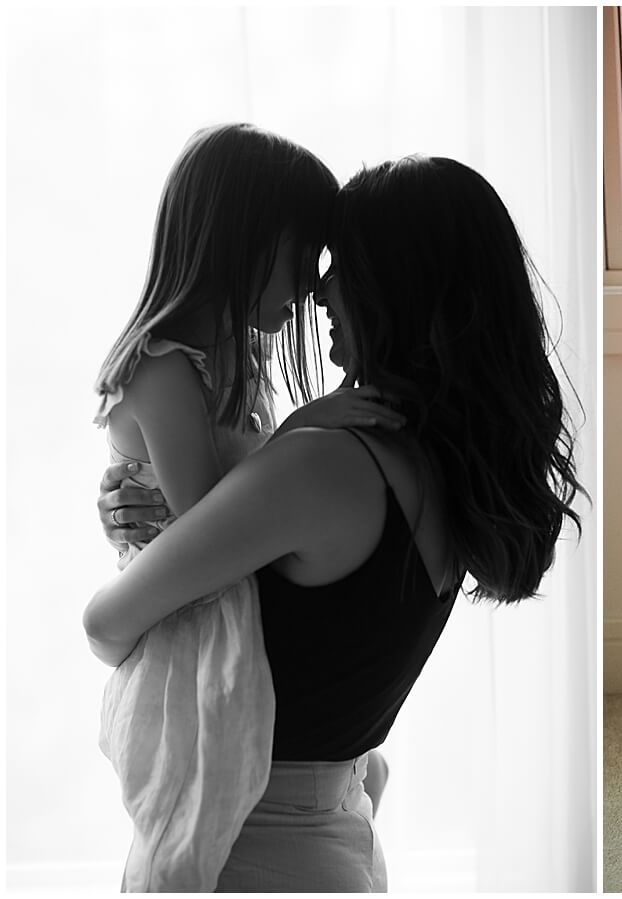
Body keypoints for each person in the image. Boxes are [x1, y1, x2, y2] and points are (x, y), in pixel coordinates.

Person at [87, 153, 584, 891]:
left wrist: (155, 530)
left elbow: (105, 624)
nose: (319, 286)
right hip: (336, 833)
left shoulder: (320, 466)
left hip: (242, 845)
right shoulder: (446, 462)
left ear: (395, 285)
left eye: (340, 263)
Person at [89, 123, 407, 891]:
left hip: (225, 602)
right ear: (242, 241)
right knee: (208, 803)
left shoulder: (240, 358)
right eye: (300, 257)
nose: (311, 283)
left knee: (355, 768)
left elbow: (236, 513)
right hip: (186, 627)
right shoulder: (166, 369)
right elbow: (208, 526)